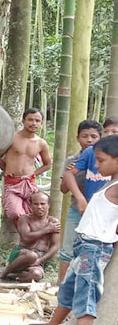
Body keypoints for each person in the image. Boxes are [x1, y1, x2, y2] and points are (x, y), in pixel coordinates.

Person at [38, 135, 118, 325]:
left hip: (95, 248)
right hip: (84, 245)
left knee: (86, 295)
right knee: (68, 290)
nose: (97, 165)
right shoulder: (109, 182)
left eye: (101, 160)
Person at [0, 108, 52, 247]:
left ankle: (36, 245)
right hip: (12, 184)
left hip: (30, 184)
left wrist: (34, 174)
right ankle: (28, 241)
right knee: (15, 213)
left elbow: (47, 164)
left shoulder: (41, 143)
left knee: (35, 214)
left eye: (37, 121)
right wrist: (7, 169)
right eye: (30, 120)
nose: (34, 123)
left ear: (41, 123)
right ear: (23, 120)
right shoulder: (11, 138)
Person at [57, 120, 102, 282]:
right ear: (77, 138)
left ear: (100, 138)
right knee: (68, 249)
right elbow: (63, 189)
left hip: (99, 213)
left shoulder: (105, 159)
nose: (89, 140)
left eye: (93, 136)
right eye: (85, 136)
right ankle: (62, 284)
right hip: (77, 209)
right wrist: (72, 173)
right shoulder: (72, 160)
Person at [0, 192, 60, 282]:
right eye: (36, 204)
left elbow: (55, 246)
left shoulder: (53, 222)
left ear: (48, 205)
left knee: (36, 275)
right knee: (31, 255)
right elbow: (26, 237)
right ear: (30, 205)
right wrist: (47, 230)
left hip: (38, 258)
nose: (39, 207)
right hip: (22, 254)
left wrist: (40, 260)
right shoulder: (25, 219)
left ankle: (11, 276)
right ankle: (3, 273)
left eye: (43, 204)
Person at [62, 118, 118, 214]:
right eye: (106, 131)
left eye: (114, 131)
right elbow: (64, 187)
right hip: (83, 209)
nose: (109, 134)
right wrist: (80, 198)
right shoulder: (88, 152)